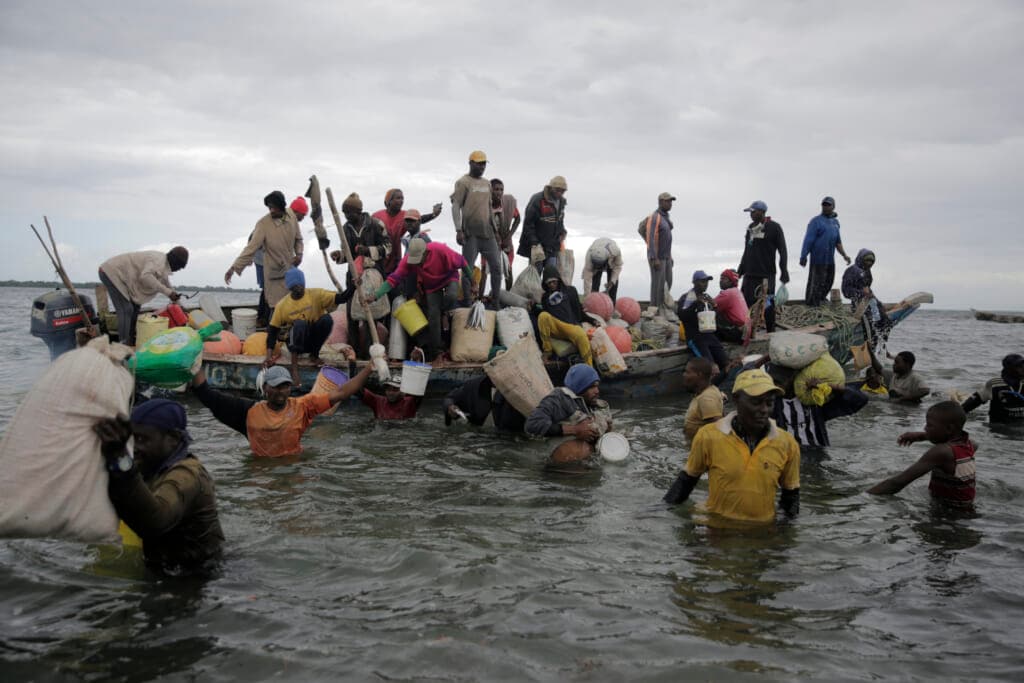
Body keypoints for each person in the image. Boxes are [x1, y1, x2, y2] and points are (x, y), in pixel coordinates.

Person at [94, 399, 224, 574]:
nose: (135, 448)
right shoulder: (151, 467)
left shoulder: (187, 475)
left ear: (173, 439)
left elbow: (156, 521)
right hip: (164, 568)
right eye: (132, 440)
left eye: (142, 439)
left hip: (195, 577)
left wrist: (121, 460)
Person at [663, 368, 800, 522]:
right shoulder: (709, 436)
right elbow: (686, 481)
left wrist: (783, 536)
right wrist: (661, 512)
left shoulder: (787, 443)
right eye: (755, 402)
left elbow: (791, 496)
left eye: (769, 403)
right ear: (736, 399)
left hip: (762, 532)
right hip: (717, 530)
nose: (763, 410)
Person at [191, 364, 372, 457]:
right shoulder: (247, 412)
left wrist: (370, 368)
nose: (281, 391)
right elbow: (207, 395)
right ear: (265, 388)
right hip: (262, 471)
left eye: (285, 386)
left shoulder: (303, 406)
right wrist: (195, 362)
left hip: (293, 467)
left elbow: (340, 393)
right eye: (276, 386)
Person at [369, 238, 474, 362]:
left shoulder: (439, 249)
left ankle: (444, 312)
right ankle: (437, 353)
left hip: (449, 277)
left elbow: (462, 261)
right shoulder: (407, 261)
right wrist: (375, 295)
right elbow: (393, 279)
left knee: (451, 296)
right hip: (432, 286)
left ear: (426, 253)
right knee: (433, 316)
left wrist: (473, 282)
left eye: (419, 260)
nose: (417, 264)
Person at [867, 401, 976, 508]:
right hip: (964, 511)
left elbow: (898, 482)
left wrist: (865, 497)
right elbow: (970, 443)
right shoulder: (969, 445)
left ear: (949, 429)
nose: (925, 428)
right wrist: (923, 436)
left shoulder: (941, 452)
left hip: (945, 515)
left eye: (929, 425)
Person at [264, 267, 353, 387]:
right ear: (289, 288)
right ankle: (294, 369)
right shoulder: (282, 305)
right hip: (294, 343)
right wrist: (268, 357)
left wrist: (353, 287)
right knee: (300, 323)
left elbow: (341, 298)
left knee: (327, 319)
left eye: (301, 286)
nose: (299, 289)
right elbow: (272, 332)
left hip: (312, 342)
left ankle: (314, 355)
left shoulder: (316, 294)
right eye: (295, 287)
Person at [329, 192, 391, 356]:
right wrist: (339, 256)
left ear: (358, 211)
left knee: (371, 314)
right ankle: (356, 353)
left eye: (349, 212)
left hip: (373, 275)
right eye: (345, 213)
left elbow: (388, 248)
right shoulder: (345, 229)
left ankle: (372, 353)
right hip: (354, 277)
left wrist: (368, 251)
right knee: (352, 316)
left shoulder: (376, 225)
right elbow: (347, 254)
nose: (347, 216)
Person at [226, 191, 304, 311]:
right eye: (269, 208)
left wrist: (299, 254)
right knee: (275, 307)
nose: (271, 210)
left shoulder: (291, 216)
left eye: (274, 207)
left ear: (282, 206)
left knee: (291, 305)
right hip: (273, 272)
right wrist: (233, 268)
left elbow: (298, 240)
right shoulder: (263, 224)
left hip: (289, 269)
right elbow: (250, 248)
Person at [98, 247, 189, 345]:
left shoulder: (164, 266)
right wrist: (168, 293)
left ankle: (132, 341)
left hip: (122, 278)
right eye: (179, 267)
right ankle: (123, 346)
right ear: (175, 261)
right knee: (126, 309)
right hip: (110, 272)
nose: (178, 270)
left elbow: (168, 286)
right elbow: (145, 277)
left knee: (135, 307)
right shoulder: (158, 261)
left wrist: (181, 306)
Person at [766, 362, 868, 448]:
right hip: (787, 455)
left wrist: (830, 386)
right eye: (773, 381)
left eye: (779, 381)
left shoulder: (815, 401)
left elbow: (860, 400)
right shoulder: (770, 404)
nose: (775, 385)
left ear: (793, 378)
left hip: (817, 454)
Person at [452, 151, 503, 306]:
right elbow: (456, 206)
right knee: (468, 269)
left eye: (483, 164)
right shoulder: (463, 182)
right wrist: (458, 230)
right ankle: (467, 301)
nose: (481, 167)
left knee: (496, 267)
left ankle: (495, 300)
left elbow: (489, 207)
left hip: (488, 234)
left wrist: (495, 231)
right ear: (471, 163)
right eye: (478, 163)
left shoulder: (487, 183)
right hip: (470, 234)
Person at [737, 200, 789, 333]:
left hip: (767, 275)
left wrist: (784, 270)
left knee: (768, 305)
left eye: (753, 212)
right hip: (750, 274)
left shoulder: (774, 227)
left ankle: (771, 332)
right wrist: (740, 270)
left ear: (762, 212)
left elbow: (782, 250)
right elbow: (747, 250)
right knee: (746, 304)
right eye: (750, 212)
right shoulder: (750, 228)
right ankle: (746, 332)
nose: (751, 214)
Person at [525, 364, 612, 442]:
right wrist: (575, 430)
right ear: (580, 387)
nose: (597, 391)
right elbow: (532, 425)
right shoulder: (557, 400)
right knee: (581, 449)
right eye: (592, 387)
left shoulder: (592, 403)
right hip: (557, 450)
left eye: (597, 386)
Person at [373, 188, 442, 279]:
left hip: (396, 259)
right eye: (398, 198)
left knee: (395, 284)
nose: (401, 201)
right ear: (389, 201)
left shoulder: (404, 215)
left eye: (402, 198)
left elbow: (418, 219)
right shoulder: (377, 216)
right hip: (380, 258)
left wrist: (433, 214)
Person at [799, 196, 851, 306]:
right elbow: (808, 240)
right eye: (824, 205)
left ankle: (822, 299)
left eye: (828, 205)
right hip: (818, 259)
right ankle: (812, 304)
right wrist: (803, 256)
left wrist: (844, 255)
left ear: (833, 207)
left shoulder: (835, 223)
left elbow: (838, 242)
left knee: (829, 281)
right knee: (816, 283)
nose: (826, 207)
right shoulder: (815, 221)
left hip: (830, 259)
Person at [538, 264, 592, 366]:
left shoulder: (570, 291)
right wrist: (533, 307)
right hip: (556, 327)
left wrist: (592, 320)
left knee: (581, 335)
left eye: (554, 281)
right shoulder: (545, 297)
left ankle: (589, 368)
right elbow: (544, 314)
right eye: (549, 283)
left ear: (558, 280)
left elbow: (579, 311)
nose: (552, 285)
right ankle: (547, 350)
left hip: (570, 326)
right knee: (543, 316)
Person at [677, 270, 730, 375]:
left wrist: (714, 307)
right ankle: (707, 389)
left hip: (709, 335)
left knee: (727, 364)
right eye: (702, 281)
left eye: (707, 282)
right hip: (695, 338)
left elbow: (714, 318)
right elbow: (682, 315)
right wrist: (695, 304)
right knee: (712, 368)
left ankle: (717, 387)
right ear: (695, 282)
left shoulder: (706, 298)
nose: (705, 284)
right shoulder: (687, 297)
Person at [841, 248, 892, 351]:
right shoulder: (851, 271)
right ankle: (870, 352)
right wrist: (861, 294)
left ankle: (882, 349)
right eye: (867, 260)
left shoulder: (867, 272)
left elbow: (868, 289)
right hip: (859, 304)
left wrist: (877, 302)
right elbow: (846, 290)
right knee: (870, 327)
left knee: (886, 322)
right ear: (861, 259)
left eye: (871, 261)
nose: (869, 263)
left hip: (870, 302)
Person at [518, 176, 568, 273]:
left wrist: (562, 231)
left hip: (553, 245)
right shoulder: (538, 200)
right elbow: (528, 224)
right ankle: (533, 288)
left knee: (551, 274)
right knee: (536, 272)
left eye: (562, 191)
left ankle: (546, 289)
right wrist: (534, 243)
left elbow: (560, 221)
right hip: (538, 245)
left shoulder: (562, 202)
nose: (560, 193)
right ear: (551, 188)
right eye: (557, 190)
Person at [442, 375, 526, 432]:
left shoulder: (521, 391)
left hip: (508, 440)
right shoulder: (474, 385)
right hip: (478, 436)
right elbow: (449, 398)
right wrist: (450, 407)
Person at [961, 353, 1024, 423]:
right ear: (1010, 369)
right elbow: (972, 402)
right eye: (1019, 366)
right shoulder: (995, 384)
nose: (1023, 368)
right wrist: (958, 414)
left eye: (1023, 365)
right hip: (998, 429)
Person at [640, 192, 675, 313]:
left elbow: (666, 240)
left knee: (668, 282)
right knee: (657, 286)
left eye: (671, 201)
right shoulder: (655, 217)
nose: (670, 203)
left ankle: (663, 307)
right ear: (661, 202)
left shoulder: (666, 218)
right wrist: (654, 258)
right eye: (668, 201)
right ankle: (655, 310)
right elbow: (651, 237)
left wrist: (670, 257)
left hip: (666, 257)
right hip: (657, 257)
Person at [682, 358, 724, 441]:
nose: (684, 375)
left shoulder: (706, 398)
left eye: (687, 372)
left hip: (703, 451)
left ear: (699, 374)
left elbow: (719, 431)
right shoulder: (704, 393)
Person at [490, 178, 521, 289]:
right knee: (487, 269)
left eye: (501, 189)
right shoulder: (485, 205)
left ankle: (508, 295)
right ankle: (484, 297)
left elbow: (518, 218)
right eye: (496, 189)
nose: (499, 192)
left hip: (506, 241)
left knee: (508, 269)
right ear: (490, 190)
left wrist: (509, 235)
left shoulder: (507, 203)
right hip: (489, 242)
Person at [581, 238, 623, 302]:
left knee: (613, 286)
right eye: (596, 265)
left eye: (599, 266)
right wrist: (587, 298)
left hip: (611, 259)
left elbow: (617, 267)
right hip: (597, 248)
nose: (598, 267)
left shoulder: (616, 252)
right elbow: (587, 279)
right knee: (595, 284)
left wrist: (612, 282)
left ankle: (612, 305)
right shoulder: (589, 256)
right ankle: (593, 302)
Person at [712, 269, 749, 343]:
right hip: (746, 332)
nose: (720, 281)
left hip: (739, 334)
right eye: (720, 278)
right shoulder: (737, 291)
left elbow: (710, 306)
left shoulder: (727, 293)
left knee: (711, 315)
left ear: (731, 281)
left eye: (723, 279)